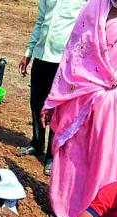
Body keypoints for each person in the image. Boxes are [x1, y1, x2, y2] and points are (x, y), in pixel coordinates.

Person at [41, 0, 117, 217]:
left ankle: (96, 212)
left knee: (102, 157)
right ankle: (64, 206)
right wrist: (56, 98)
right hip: (78, 93)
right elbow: (73, 54)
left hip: (113, 97)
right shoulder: (95, 5)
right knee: (71, 151)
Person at [18, 0, 87, 176]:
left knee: (56, 110)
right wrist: (28, 52)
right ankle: (36, 143)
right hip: (41, 55)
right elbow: (40, 21)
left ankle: (52, 156)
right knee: (36, 103)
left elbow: (86, 27)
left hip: (63, 60)